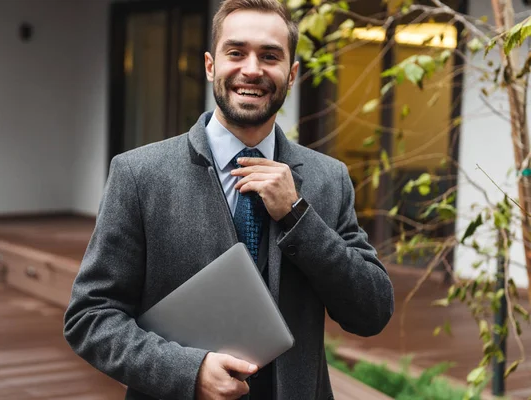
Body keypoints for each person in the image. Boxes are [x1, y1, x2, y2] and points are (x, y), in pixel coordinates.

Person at [63, 0, 394, 399]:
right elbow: (90, 317)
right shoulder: (139, 175)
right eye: (236, 52)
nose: (251, 69)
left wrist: (298, 216)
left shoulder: (328, 178)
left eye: (269, 56)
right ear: (210, 65)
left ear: (290, 75)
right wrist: (189, 371)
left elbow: (371, 312)